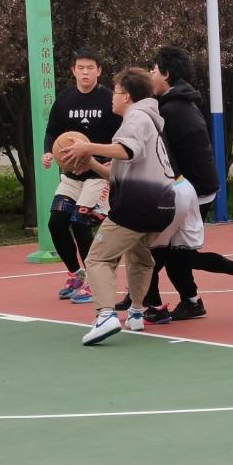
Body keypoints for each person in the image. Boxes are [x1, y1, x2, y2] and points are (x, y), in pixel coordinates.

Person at [117, 46, 233, 322]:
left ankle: (150, 301)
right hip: (192, 188)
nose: (150, 74)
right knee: (175, 255)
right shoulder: (180, 102)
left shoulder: (171, 110)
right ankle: (199, 296)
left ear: (166, 74)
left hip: (188, 190)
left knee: (157, 251)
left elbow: (165, 156)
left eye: (154, 69)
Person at [60, 67, 177, 346]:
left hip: (138, 204)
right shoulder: (149, 119)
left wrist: (88, 148)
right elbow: (118, 171)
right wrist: (91, 163)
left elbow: (127, 151)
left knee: (97, 259)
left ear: (127, 96)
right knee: (139, 255)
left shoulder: (136, 117)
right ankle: (136, 312)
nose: (112, 97)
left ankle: (105, 315)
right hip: (163, 204)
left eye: (115, 91)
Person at [41, 48, 120, 304]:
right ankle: (76, 274)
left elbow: (120, 136)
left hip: (98, 174)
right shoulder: (65, 99)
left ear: (99, 71)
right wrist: (48, 152)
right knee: (56, 222)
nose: (85, 72)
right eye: (81, 68)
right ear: (73, 71)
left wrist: (103, 160)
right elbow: (52, 131)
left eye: (90, 68)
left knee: (80, 223)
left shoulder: (108, 99)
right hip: (71, 176)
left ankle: (94, 282)